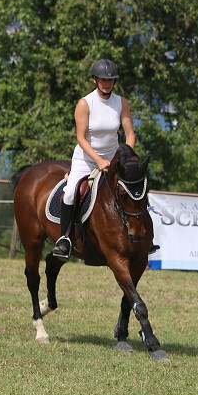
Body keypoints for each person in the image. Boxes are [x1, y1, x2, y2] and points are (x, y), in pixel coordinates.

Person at [51, 58, 136, 261]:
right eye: (103, 80)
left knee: (134, 188)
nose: (107, 84)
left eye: (111, 80)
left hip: (114, 157)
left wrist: (125, 155)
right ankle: (64, 239)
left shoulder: (121, 102)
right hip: (86, 158)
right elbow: (80, 137)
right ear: (96, 80)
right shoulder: (85, 103)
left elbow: (130, 134)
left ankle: (143, 238)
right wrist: (98, 160)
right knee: (71, 193)